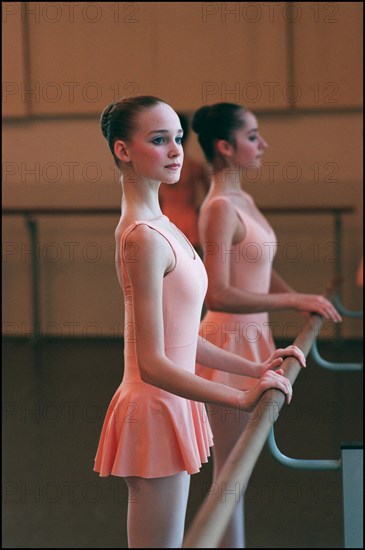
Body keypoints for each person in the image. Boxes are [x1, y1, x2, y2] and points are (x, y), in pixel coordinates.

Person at [93, 96, 306, 549]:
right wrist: (240, 396)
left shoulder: (163, 223)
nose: (174, 150)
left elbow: (182, 338)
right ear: (122, 150)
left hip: (172, 399)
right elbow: (152, 362)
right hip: (154, 406)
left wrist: (256, 367)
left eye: (176, 138)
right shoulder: (141, 238)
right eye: (157, 140)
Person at [192, 102, 342, 548]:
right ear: (225, 146)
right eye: (253, 136)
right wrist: (294, 298)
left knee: (242, 469)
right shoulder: (217, 207)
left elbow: (258, 265)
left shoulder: (243, 199)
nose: (263, 144)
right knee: (232, 470)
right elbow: (217, 292)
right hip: (227, 338)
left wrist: (299, 300)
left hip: (254, 336)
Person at [158, 112, 210, 257]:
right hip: (190, 220)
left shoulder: (157, 167)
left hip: (165, 218)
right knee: (194, 267)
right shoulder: (196, 167)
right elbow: (210, 199)